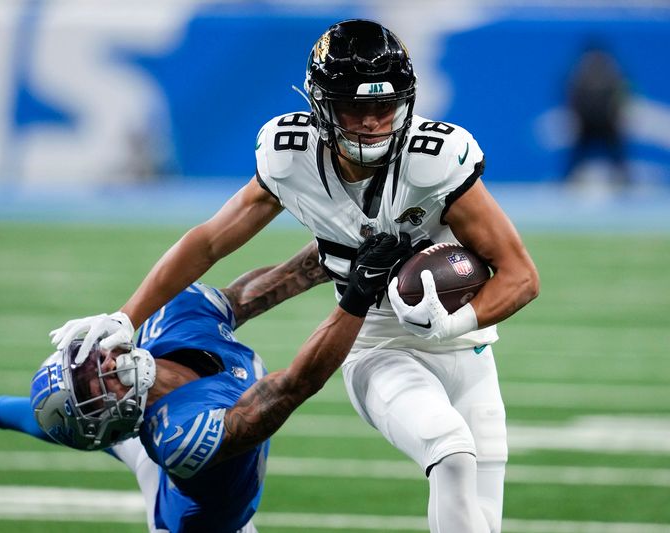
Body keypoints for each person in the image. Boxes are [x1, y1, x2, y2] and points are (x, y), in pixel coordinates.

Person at [54, 19, 539, 533]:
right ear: (322, 106)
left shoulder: (434, 160)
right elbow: (210, 240)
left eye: (384, 106)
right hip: (378, 347)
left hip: (471, 353)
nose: (373, 122)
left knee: (481, 520)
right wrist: (128, 318)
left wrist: (448, 325)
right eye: (356, 107)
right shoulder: (291, 156)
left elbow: (521, 276)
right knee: (452, 453)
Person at [0, 235, 411, 533]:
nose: (101, 364)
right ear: (118, 416)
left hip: (163, 435)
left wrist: (331, 255)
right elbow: (293, 387)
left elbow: (246, 295)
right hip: (203, 523)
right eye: (93, 385)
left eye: (86, 362)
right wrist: (357, 295)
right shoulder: (179, 436)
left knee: (59, 421)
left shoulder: (166, 323)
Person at [566, 40, 630, 186]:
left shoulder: (613, 73)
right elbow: (573, 97)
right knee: (577, 154)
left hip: (607, 123)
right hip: (587, 123)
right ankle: (568, 180)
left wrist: (617, 116)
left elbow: (622, 94)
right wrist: (578, 118)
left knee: (617, 154)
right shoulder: (579, 73)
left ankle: (625, 180)